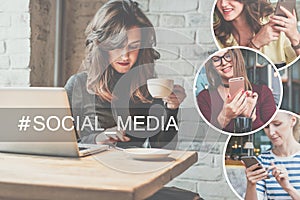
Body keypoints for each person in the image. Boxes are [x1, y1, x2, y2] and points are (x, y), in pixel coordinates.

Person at [64, 0, 186, 148]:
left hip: (135, 170)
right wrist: (97, 139)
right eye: (116, 46)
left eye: (133, 46)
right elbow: (60, 147)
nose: (125, 56)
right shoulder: (78, 85)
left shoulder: (148, 89)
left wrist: (171, 109)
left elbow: (161, 150)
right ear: (101, 46)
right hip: (87, 170)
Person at [197, 48, 276, 132]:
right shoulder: (204, 98)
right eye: (216, 59)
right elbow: (207, 136)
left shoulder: (263, 93)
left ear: (237, 57)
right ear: (211, 65)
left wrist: (252, 117)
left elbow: (268, 134)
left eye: (228, 56)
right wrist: (224, 117)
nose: (224, 63)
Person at [214, 0, 300, 66]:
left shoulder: (276, 22)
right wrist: (255, 44)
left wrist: (295, 37)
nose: (223, 4)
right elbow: (238, 72)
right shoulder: (216, 37)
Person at [243, 110, 300, 200]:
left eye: (277, 124)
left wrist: (288, 188)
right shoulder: (262, 160)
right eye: (266, 126)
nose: (271, 132)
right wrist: (251, 185)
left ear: (292, 121)